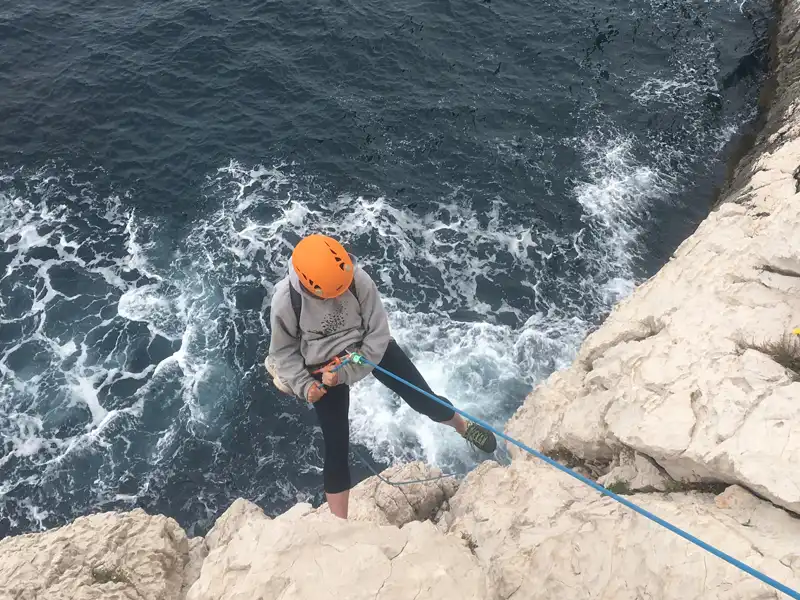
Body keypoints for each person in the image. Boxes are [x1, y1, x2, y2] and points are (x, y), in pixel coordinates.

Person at [266, 233, 497, 519]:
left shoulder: (356, 279)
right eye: (332, 294)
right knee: (336, 448)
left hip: (365, 348)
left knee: (424, 400)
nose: (339, 297)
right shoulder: (286, 300)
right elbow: (284, 351)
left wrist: (346, 373)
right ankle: (340, 526)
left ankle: (464, 428)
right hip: (322, 367)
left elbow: (378, 335)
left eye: (342, 290)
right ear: (310, 287)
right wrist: (305, 386)